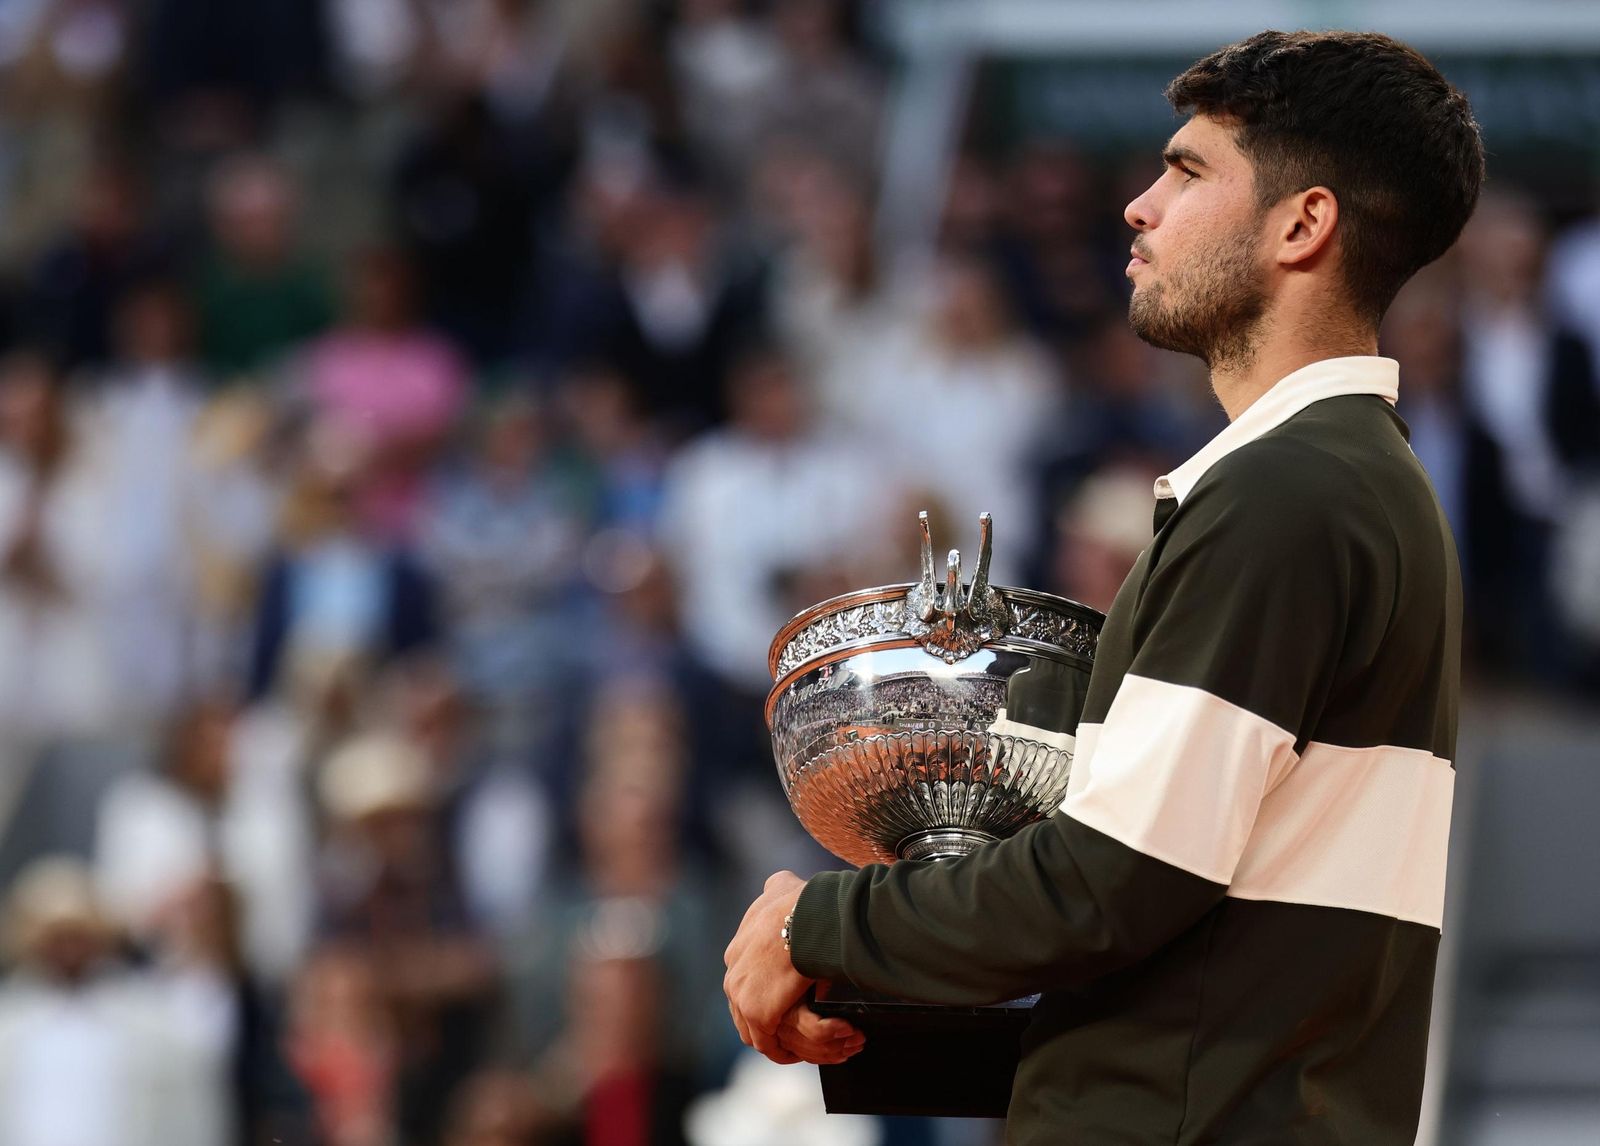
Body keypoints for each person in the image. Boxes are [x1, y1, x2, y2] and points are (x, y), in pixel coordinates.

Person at [724, 29, 1484, 1145]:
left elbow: (1111, 884)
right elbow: (1195, 931)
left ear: (1301, 224)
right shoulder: (1354, 485)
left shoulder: (1287, 493)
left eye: (1185, 172)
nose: (1137, 207)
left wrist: (821, 924)